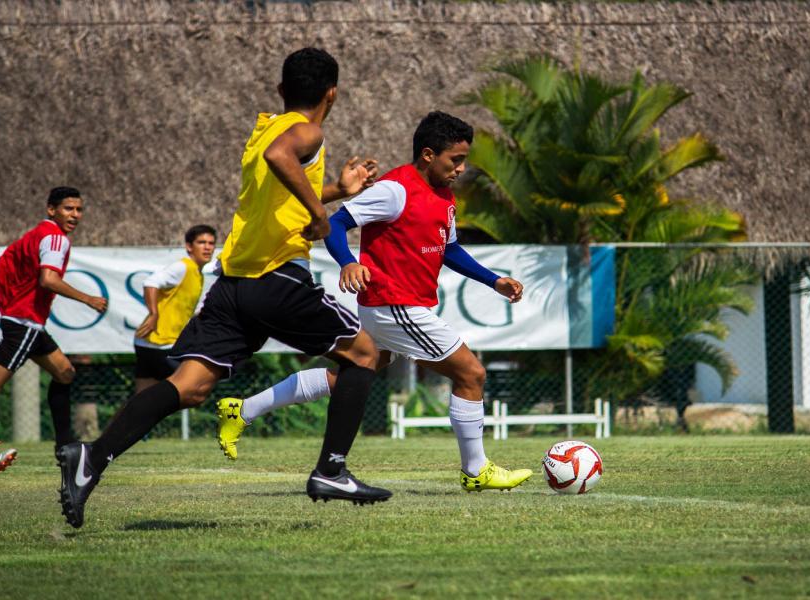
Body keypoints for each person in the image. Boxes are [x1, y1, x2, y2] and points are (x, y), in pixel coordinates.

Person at [56, 47, 390, 529]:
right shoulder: (307, 131)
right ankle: (331, 471)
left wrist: (336, 191)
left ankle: (91, 457)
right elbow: (285, 161)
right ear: (332, 92)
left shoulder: (265, 129)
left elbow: (274, 191)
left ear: (280, 90)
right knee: (363, 355)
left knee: (189, 387)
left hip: (233, 284)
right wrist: (323, 216)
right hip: (275, 277)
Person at [217, 112, 533, 492]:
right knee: (471, 374)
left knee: (349, 374)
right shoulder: (395, 189)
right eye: (455, 160)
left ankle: (243, 409)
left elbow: (449, 249)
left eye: (464, 160)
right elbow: (335, 223)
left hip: (400, 305)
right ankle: (476, 470)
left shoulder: (444, 196)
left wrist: (493, 280)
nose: (461, 169)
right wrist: (349, 262)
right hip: (393, 304)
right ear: (429, 154)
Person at [0, 187, 108, 453]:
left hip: (29, 323)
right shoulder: (55, 238)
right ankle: (66, 444)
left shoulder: (37, 234)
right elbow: (48, 279)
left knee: (65, 373)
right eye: (68, 208)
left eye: (79, 209)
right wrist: (89, 299)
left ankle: (65, 445)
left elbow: (6, 263)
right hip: (24, 322)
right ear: (51, 210)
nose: (75, 215)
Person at [132, 225, 216, 393]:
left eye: (211, 243)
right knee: (194, 389)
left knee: (141, 399)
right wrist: (154, 313)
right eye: (201, 242)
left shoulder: (197, 274)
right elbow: (151, 283)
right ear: (189, 246)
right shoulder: (182, 267)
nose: (207, 247)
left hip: (148, 343)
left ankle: (123, 420)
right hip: (160, 344)